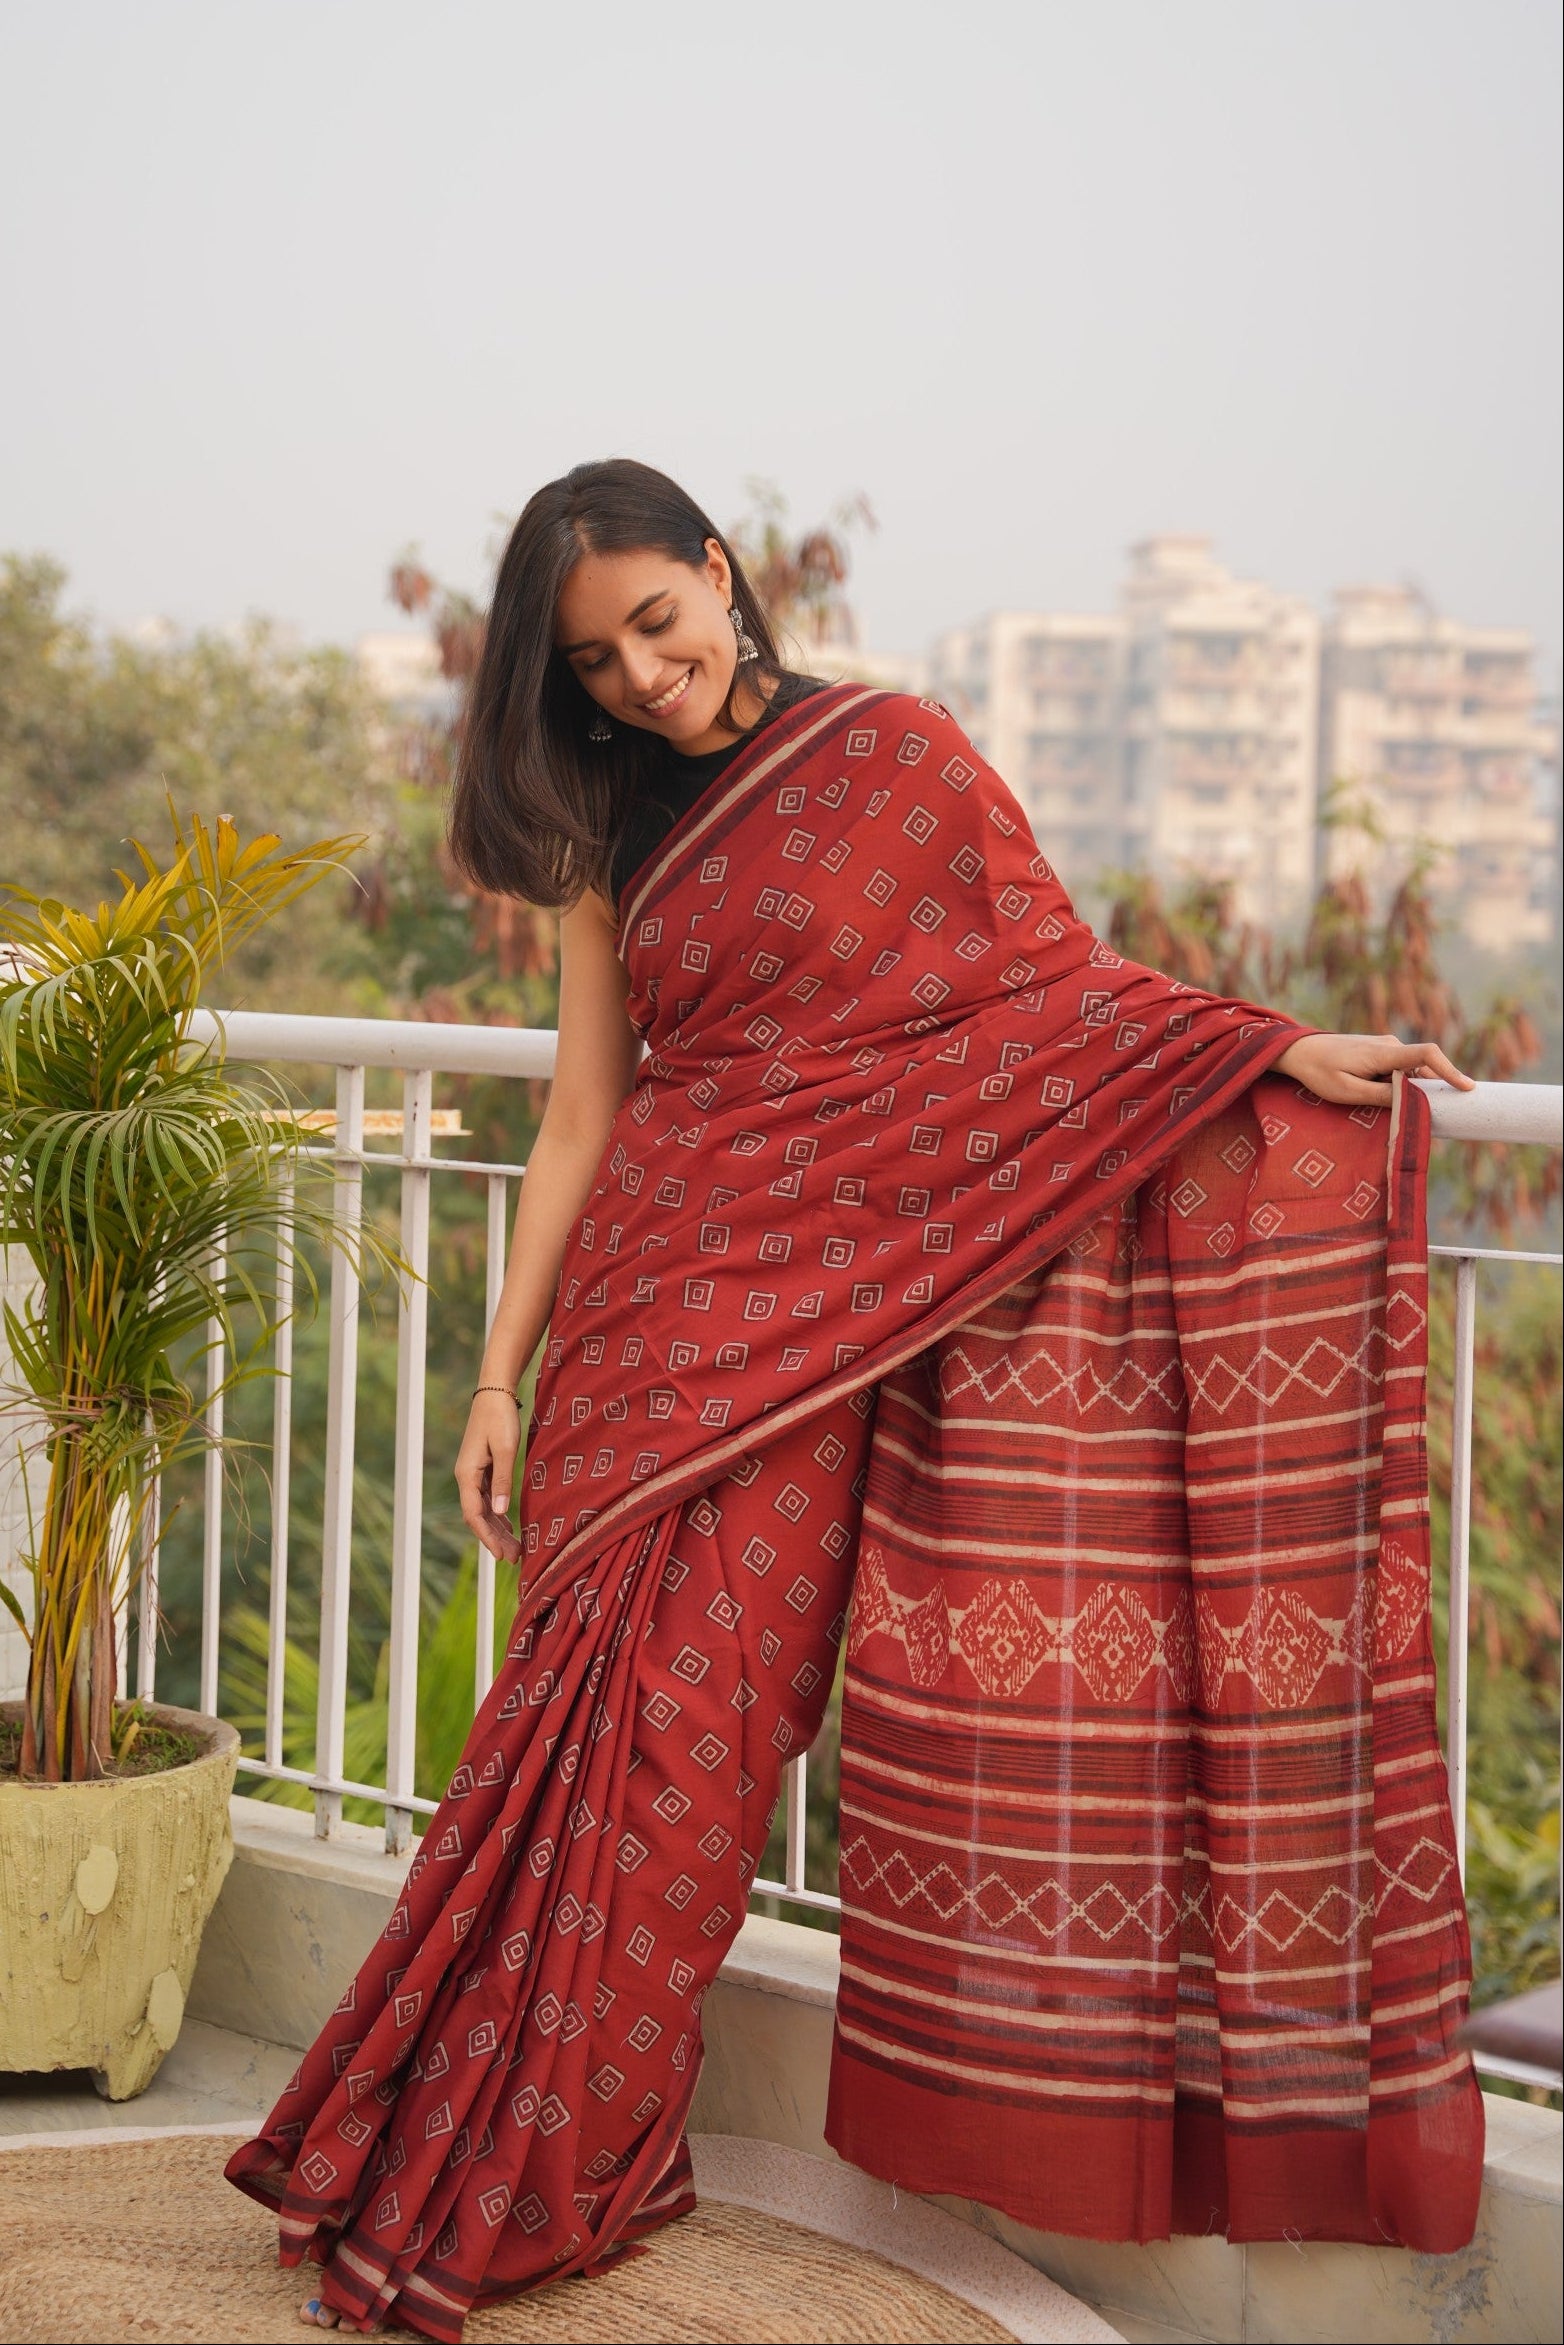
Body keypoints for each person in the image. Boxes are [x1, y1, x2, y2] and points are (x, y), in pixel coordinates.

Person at [227, 460, 1485, 2340]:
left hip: (823, 1334)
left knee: (691, 1764)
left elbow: (1050, 1002)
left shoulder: (899, 755)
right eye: (593, 662)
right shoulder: (613, 832)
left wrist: (1268, 1052)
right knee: (569, 1750)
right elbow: (580, 1115)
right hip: (645, 1331)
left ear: (720, 572)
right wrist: (498, 1373)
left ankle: (555, 2153)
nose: (639, 675)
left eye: (656, 621)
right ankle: (504, 2148)